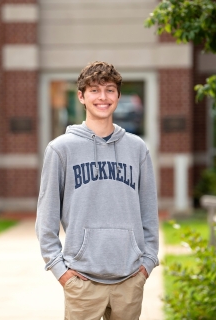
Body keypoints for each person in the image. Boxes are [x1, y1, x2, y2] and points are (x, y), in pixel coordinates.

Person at [35, 61, 159, 320]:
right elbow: (46, 221)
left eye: (110, 90)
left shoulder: (137, 149)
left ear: (118, 96)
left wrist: (147, 264)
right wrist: (62, 272)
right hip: (82, 282)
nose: (103, 97)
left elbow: (149, 213)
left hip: (130, 279)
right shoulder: (61, 149)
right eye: (94, 90)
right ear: (81, 96)